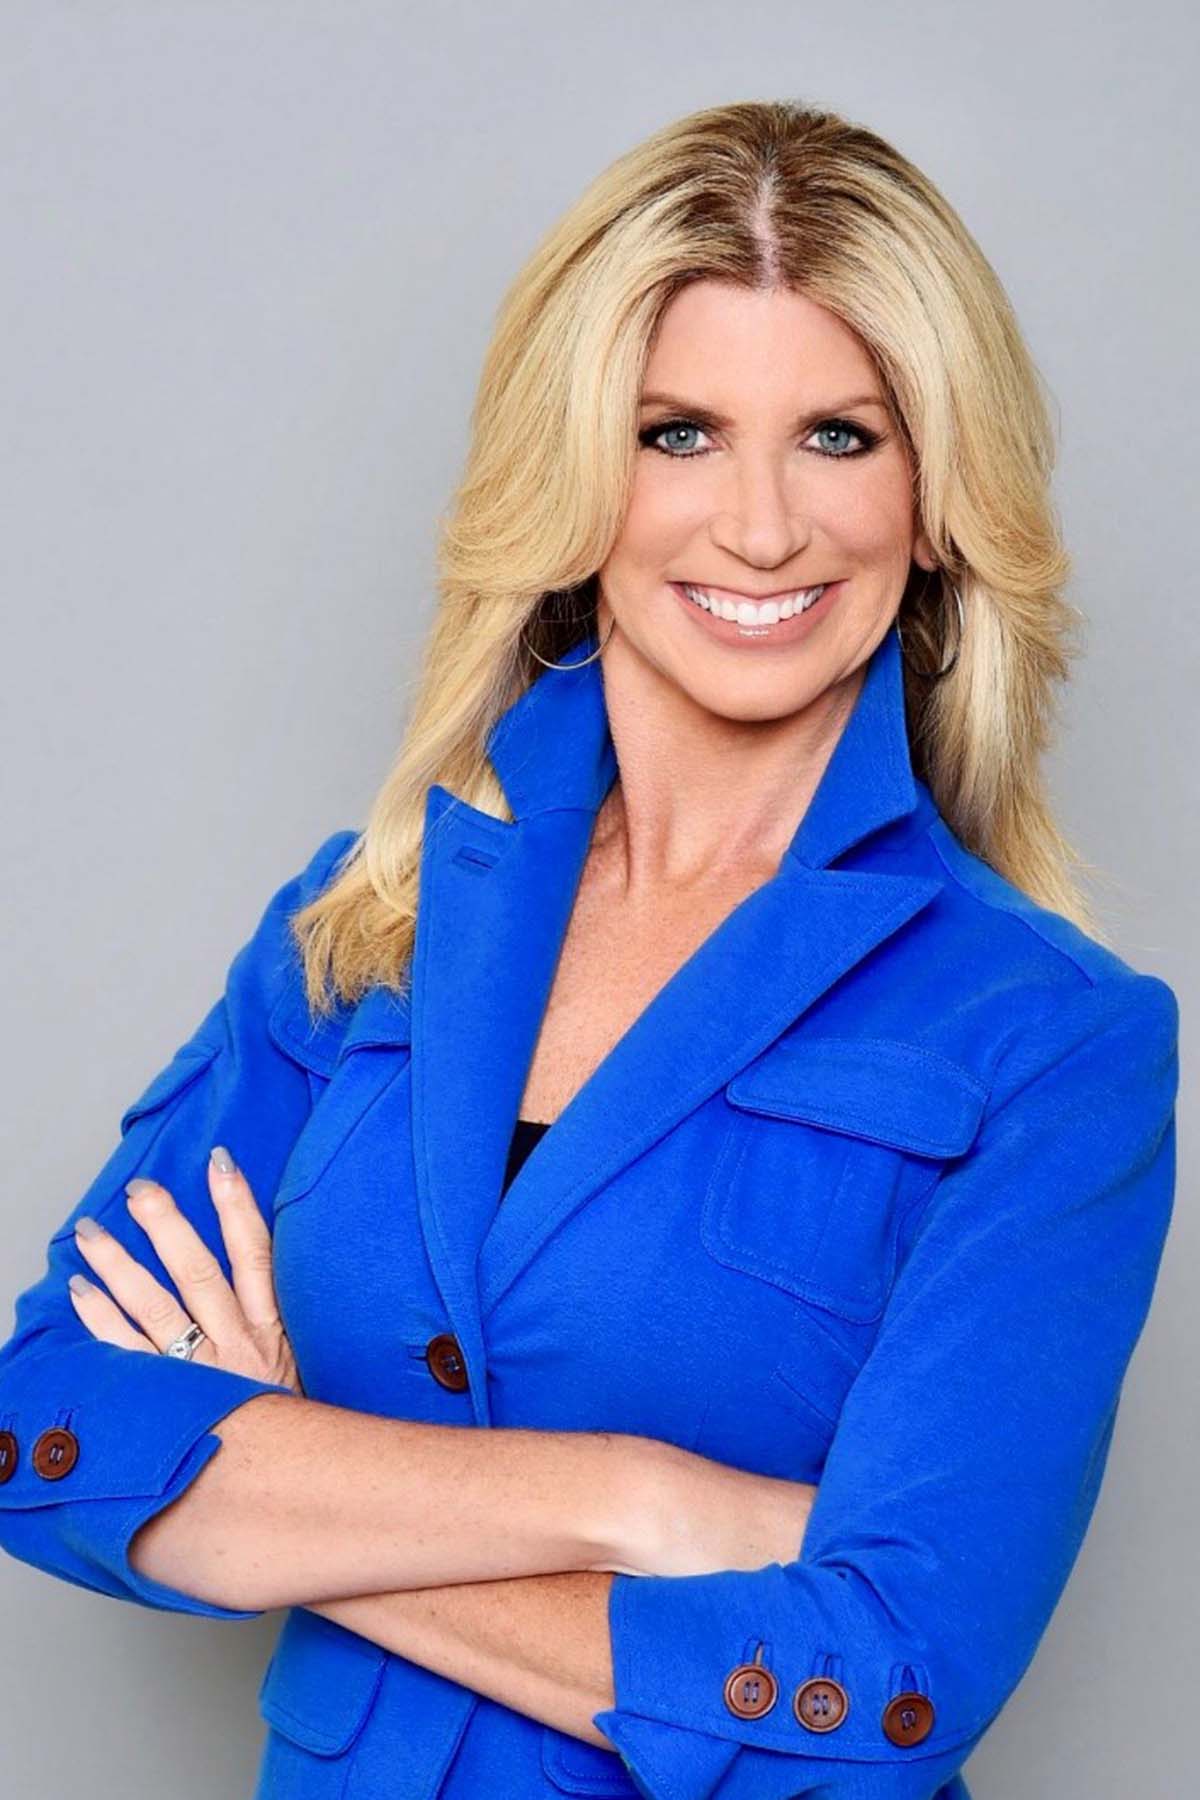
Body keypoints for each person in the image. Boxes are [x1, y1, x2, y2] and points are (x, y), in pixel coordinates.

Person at [0, 97, 1179, 1800]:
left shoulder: (1054, 1041)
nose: (761, 526)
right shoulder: (371, 923)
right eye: (676, 433)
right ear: (576, 475)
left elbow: (890, 1687)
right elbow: (46, 1427)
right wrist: (638, 1499)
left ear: (935, 498)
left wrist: (289, 1488)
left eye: (840, 436)